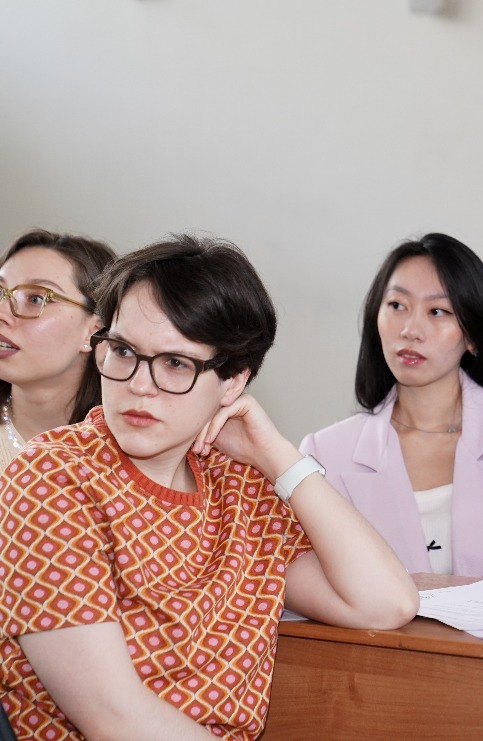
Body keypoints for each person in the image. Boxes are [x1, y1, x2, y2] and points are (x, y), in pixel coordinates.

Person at [0, 235, 418, 740]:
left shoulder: (239, 485)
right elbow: (112, 716)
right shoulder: (51, 477)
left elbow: (385, 602)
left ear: (233, 382)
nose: (139, 385)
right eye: (124, 351)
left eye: (175, 363)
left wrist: (278, 457)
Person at [303, 233, 483, 585]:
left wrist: (423, 589)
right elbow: (315, 596)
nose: (410, 330)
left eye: (438, 311)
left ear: (472, 335)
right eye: (396, 305)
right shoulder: (324, 454)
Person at [0, 229, 115, 471]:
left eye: (36, 299)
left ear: (94, 331)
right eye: (1, 293)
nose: (2, 313)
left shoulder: (132, 452)